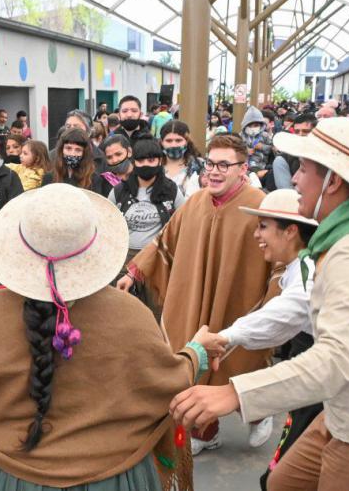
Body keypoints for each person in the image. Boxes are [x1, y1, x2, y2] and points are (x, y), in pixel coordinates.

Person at [172, 117, 349, 490]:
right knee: (281, 482)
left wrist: (234, 393)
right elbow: (295, 313)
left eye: (303, 169)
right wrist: (231, 339)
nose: (293, 179)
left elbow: (336, 359)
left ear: (333, 181)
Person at [0, 183, 212, 491]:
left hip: (12, 480)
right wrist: (198, 351)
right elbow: (167, 378)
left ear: (21, 246)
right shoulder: (130, 315)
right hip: (115, 477)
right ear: (94, 246)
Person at [117, 133, 274, 454]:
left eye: (224, 165)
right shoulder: (197, 201)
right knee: (194, 359)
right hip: (194, 298)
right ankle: (206, 432)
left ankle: (259, 413)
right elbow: (166, 239)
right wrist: (135, 272)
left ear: (242, 168)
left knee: (244, 359)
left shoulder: (260, 205)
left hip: (238, 298)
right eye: (211, 164)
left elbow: (282, 253)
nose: (214, 171)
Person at [193, 189, 320, 489]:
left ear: (290, 231)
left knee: (281, 479)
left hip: (325, 390)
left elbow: (288, 312)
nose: (255, 234)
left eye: (263, 226)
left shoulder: (308, 269)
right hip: (313, 384)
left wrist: (224, 337)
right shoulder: (296, 267)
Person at [110, 140, 185, 320]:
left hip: (156, 259)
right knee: (122, 312)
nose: (146, 165)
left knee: (156, 313)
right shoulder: (120, 191)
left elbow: (183, 221)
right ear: (134, 162)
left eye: (151, 160)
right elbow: (107, 222)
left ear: (160, 161)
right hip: (124, 258)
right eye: (141, 160)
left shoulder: (171, 190)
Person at [43, 128, 112, 197]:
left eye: (78, 150)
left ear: (84, 153)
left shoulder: (93, 179)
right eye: (68, 148)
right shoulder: (49, 177)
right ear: (61, 150)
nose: (72, 154)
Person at [268, 112, 317, 191]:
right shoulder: (283, 160)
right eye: (297, 131)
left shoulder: (323, 155)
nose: (300, 135)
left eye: (305, 131)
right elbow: (288, 194)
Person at [161, 120, 204, 197]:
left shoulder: (200, 166)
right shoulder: (154, 166)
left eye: (178, 140)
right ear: (161, 142)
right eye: (169, 141)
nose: (174, 145)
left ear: (187, 141)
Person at [240, 106, 273, 175]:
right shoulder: (241, 136)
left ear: (261, 125)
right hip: (243, 166)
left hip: (260, 166)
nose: (253, 128)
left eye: (256, 125)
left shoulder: (265, 135)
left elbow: (272, 149)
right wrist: (245, 150)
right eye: (250, 125)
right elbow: (235, 149)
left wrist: (262, 147)